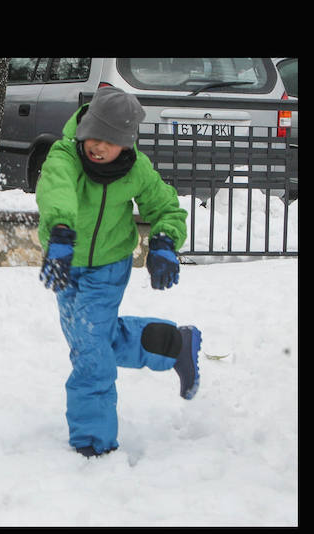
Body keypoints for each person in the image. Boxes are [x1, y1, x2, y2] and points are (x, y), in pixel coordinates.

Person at [35, 86, 202, 459]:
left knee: (90, 350)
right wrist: (61, 233)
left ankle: (93, 441)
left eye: (109, 141)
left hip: (109, 268)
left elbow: (166, 207)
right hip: (66, 261)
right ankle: (175, 346)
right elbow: (56, 192)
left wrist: (163, 242)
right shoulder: (64, 155)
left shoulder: (136, 168)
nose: (97, 146)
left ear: (125, 144)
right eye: (94, 135)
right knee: (91, 340)